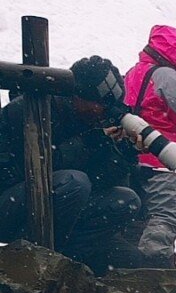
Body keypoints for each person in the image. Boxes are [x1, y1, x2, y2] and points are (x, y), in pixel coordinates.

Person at [0, 56, 146, 273]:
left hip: (56, 212)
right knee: (74, 182)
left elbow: (99, 182)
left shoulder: (89, 122)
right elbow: (35, 167)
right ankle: (35, 263)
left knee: (126, 201)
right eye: (102, 104)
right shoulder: (30, 109)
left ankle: (70, 264)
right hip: (10, 203)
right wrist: (88, 142)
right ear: (79, 95)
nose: (105, 112)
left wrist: (123, 154)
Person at [122, 25, 176, 267]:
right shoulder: (166, 75)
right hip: (166, 157)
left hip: (136, 156)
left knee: (136, 217)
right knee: (164, 216)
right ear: (175, 50)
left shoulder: (134, 71)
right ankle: (154, 271)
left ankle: (127, 268)